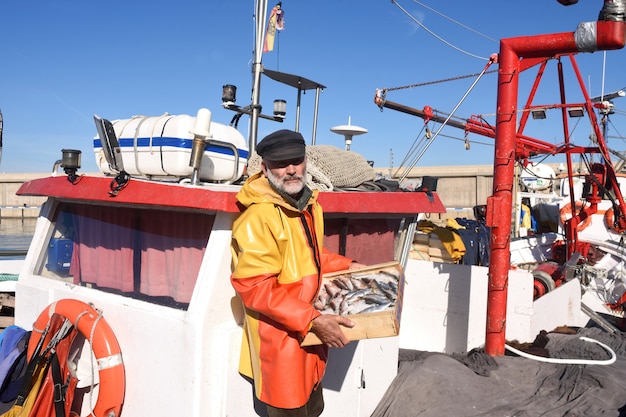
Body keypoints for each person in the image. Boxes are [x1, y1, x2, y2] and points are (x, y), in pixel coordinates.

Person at [230, 129, 362, 416]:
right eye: (280, 163)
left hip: (310, 336)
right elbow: (256, 289)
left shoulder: (309, 205)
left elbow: (312, 259)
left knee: (314, 409)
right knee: (290, 406)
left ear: (305, 162)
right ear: (264, 168)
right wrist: (314, 320)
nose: (290, 169)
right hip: (280, 346)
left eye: (296, 160)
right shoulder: (257, 217)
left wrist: (349, 267)